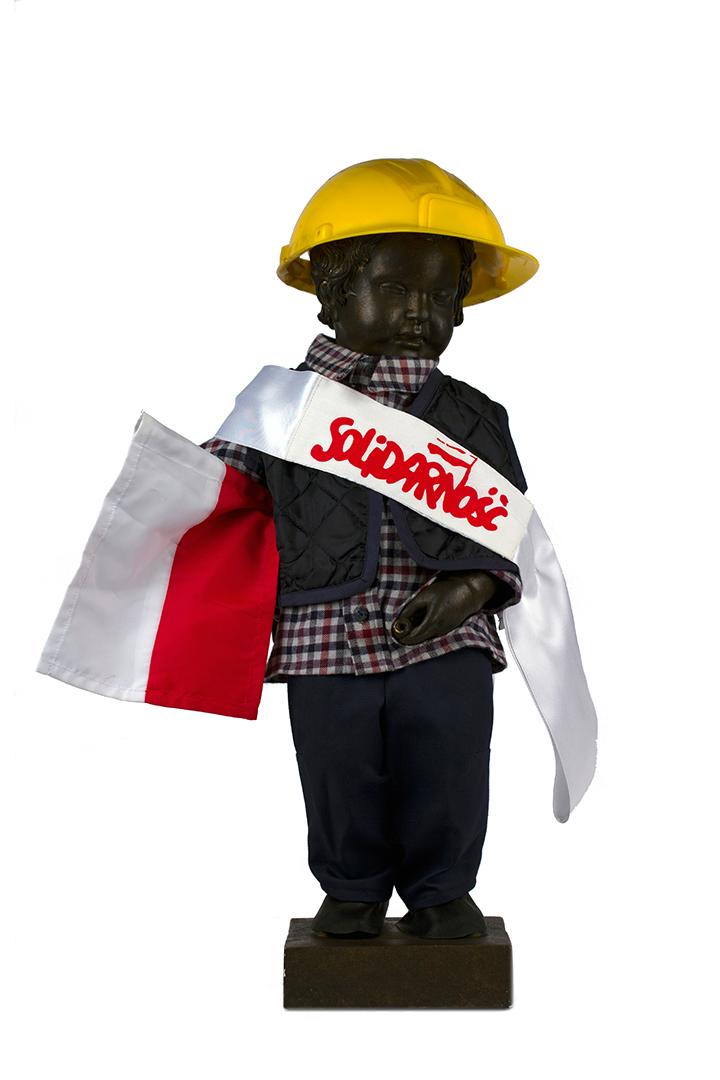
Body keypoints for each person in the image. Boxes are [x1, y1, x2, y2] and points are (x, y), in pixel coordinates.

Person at [201, 161, 539, 939]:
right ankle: (350, 887)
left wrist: (473, 588)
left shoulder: (473, 414)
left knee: (450, 761)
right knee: (336, 767)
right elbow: (212, 491)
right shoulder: (281, 403)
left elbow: (512, 524)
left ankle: (440, 890)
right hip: (322, 630)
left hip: (448, 635)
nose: (419, 310)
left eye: (440, 295)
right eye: (393, 287)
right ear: (331, 291)